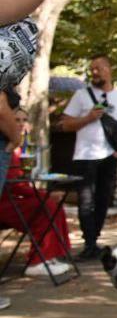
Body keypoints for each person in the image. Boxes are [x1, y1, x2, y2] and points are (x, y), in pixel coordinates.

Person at [59, 55, 117, 260]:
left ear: (110, 69)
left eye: (99, 68)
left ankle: (94, 239)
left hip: (109, 156)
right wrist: (88, 118)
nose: (95, 72)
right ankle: (89, 243)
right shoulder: (81, 96)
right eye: (92, 69)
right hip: (84, 156)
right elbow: (65, 124)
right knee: (85, 201)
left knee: (103, 200)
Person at [0, 103, 72, 279]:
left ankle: (50, 256)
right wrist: (41, 194)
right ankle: (37, 262)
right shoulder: (5, 146)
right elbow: (13, 183)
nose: (21, 124)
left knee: (51, 204)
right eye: (16, 120)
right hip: (4, 200)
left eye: (24, 120)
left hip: (13, 196)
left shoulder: (23, 146)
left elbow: (24, 179)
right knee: (45, 206)